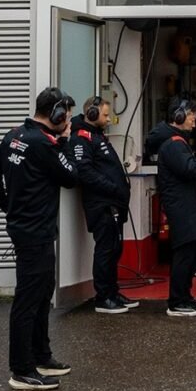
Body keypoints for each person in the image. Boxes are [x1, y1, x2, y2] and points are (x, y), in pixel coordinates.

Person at [0, 87, 78, 390]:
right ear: (56, 114)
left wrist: (9, 207)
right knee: (28, 300)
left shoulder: (14, 135)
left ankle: (41, 356)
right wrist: (65, 143)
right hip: (34, 233)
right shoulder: (43, 144)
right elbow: (71, 177)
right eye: (67, 116)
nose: (69, 122)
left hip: (30, 230)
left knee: (41, 293)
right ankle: (22, 370)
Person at [146, 99, 196, 317]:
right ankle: (177, 301)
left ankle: (184, 298)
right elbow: (191, 170)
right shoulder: (174, 145)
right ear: (178, 117)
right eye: (191, 115)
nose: (194, 120)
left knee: (195, 252)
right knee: (185, 255)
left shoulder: (176, 142)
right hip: (183, 209)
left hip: (188, 207)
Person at [69, 96, 137, 315]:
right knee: (106, 250)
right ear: (92, 113)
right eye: (105, 115)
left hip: (113, 204)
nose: (109, 119)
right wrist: (113, 188)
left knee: (115, 249)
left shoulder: (97, 136)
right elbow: (85, 172)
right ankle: (103, 297)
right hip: (102, 204)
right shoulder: (81, 138)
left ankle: (113, 293)